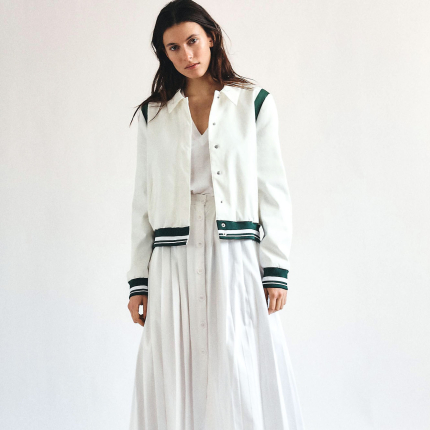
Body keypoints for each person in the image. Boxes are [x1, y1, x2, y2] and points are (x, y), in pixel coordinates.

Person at [126, 1, 306, 429]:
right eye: (173, 48)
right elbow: (142, 200)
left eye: (192, 41)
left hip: (235, 253)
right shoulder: (155, 114)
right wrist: (138, 281)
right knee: (174, 366)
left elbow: (273, 190)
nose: (186, 55)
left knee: (238, 360)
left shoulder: (253, 103)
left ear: (210, 36)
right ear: (164, 53)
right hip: (173, 257)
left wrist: (275, 268)